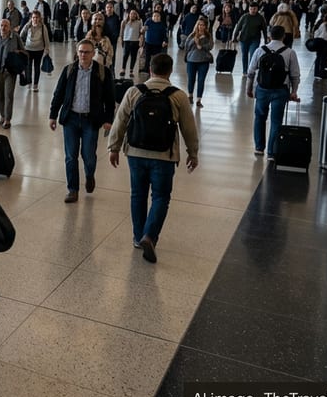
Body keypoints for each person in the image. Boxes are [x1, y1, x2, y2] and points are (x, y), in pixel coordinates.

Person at [108, 53, 199, 264]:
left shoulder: (134, 91)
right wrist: (192, 153)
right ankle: (150, 235)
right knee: (160, 197)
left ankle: (139, 237)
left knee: (138, 195)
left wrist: (113, 147)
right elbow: (189, 129)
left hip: (136, 153)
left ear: (150, 69)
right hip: (164, 156)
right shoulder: (178, 96)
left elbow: (120, 120)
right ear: (170, 71)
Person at [48, 40, 116, 204]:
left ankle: (89, 175)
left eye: (86, 52)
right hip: (71, 119)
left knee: (88, 156)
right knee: (71, 156)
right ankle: (72, 190)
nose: (83, 55)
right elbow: (58, 94)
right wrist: (53, 115)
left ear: (93, 54)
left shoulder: (102, 72)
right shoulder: (69, 70)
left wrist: (108, 120)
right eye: (80, 52)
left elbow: (110, 98)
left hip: (90, 120)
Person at [246, 25, 301, 159]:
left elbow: (251, 72)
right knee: (276, 121)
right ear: (283, 36)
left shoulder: (260, 50)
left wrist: (249, 88)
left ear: (269, 35)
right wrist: (294, 91)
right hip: (280, 91)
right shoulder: (289, 52)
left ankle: (259, 148)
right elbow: (295, 75)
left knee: (260, 117)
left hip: (262, 89)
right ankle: (272, 151)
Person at [183, 17, 214, 107]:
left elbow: (210, 46)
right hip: (191, 60)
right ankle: (190, 96)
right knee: (191, 79)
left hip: (204, 60)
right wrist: (195, 40)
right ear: (197, 25)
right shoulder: (192, 35)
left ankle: (199, 99)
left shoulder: (208, 36)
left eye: (203, 25)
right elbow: (186, 46)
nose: (201, 27)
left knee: (201, 80)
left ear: (205, 26)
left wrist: (201, 45)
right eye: (199, 25)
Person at [18, 11, 51, 92]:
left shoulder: (43, 27)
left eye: (37, 17)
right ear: (31, 18)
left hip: (39, 50)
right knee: (28, 67)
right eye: (33, 17)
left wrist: (47, 49)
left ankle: (35, 84)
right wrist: (21, 46)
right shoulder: (28, 26)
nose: (35, 19)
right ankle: (29, 82)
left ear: (39, 18)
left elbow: (46, 39)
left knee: (37, 67)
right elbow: (20, 36)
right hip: (28, 49)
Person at [234, 3, 268, 76]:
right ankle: (244, 71)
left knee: (253, 55)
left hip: (255, 40)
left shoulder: (260, 18)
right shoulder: (244, 17)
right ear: (249, 9)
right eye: (251, 9)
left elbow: (264, 29)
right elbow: (238, 27)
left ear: (257, 9)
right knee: (244, 55)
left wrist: (266, 39)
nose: (253, 10)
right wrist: (234, 37)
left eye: (254, 9)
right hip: (244, 39)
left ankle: (250, 70)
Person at [119, 9, 143, 79]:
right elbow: (121, 32)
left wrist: (142, 32)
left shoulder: (139, 22)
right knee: (125, 55)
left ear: (136, 15)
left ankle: (131, 70)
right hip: (127, 40)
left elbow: (141, 32)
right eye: (131, 14)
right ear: (129, 15)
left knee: (133, 56)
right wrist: (121, 39)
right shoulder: (124, 22)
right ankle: (123, 69)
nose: (132, 15)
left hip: (135, 41)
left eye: (134, 14)